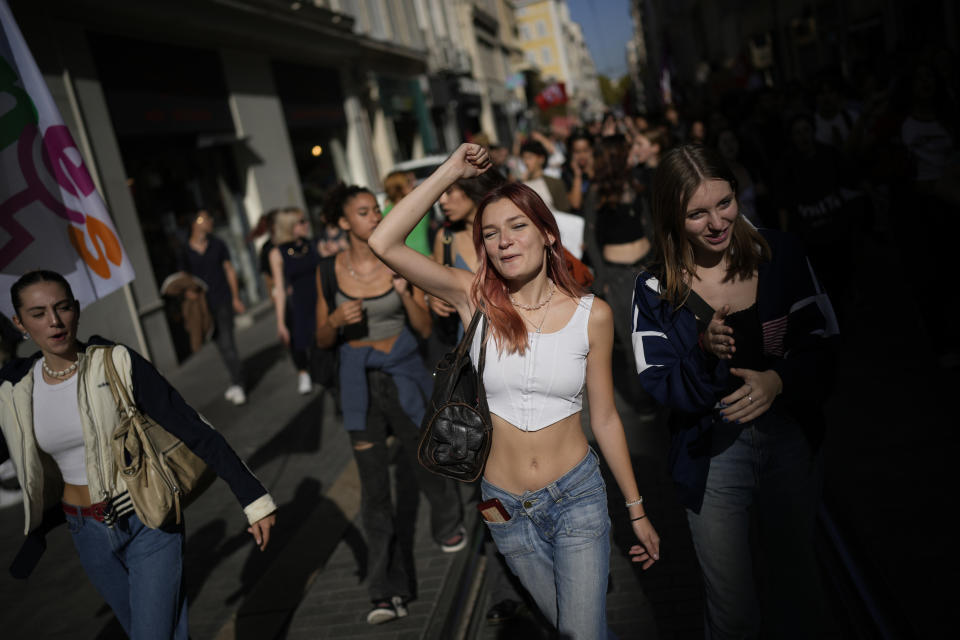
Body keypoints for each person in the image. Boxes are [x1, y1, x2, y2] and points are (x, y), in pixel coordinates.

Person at [369, 144, 661, 639]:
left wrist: (637, 510)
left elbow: (607, 419)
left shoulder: (594, 314)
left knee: (583, 634)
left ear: (548, 233)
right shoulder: (473, 299)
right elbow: (385, 240)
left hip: (578, 499)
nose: (503, 241)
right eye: (490, 233)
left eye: (517, 226)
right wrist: (452, 171)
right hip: (504, 510)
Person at [0, 270, 277, 640]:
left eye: (62, 307)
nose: (54, 321)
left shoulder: (115, 362)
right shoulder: (16, 389)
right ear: (19, 323)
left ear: (77, 310)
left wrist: (253, 498)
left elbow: (193, 427)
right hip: (85, 531)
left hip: (148, 517)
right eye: (38, 313)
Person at [632, 145, 838, 638]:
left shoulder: (781, 252)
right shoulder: (655, 287)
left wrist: (779, 379)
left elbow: (825, 341)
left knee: (798, 587)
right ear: (671, 217)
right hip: (712, 457)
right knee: (733, 608)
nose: (716, 222)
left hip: (787, 442)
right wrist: (702, 351)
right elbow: (659, 383)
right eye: (696, 213)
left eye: (724, 203)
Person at [314, 185, 466, 625]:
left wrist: (403, 293)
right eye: (364, 212)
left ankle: (446, 522)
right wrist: (334, 322)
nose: (375, 217)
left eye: (376, 210)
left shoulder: (395, 257)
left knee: (425, 458)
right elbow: (321, 340)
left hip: (403, 374)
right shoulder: (328, 271)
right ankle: (385, 589)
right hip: (358, 384)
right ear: (344, 223)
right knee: (375, 488)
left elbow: (422, 328)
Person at [178, 209, 246, 405]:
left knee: (228, 343)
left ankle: (239, 383)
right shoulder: (185, 251)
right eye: (206, 218)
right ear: (196, 223)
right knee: (221, 346)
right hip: (203, 309)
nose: (210, 221)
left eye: (209, 217)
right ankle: (235, 380)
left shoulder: (217, 244)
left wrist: (235, 297)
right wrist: (187, 293)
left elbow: (229, 270)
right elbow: (184, 280)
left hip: (223, 300)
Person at [268, 207, 320, 394]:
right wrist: (281, 322)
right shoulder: (277, 253)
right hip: (299, 303)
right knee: (302, 341)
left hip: (319, 297)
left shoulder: (311, 244)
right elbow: (279, 290)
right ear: (289, 226)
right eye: (301, 222)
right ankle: (304, 373)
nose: (306, 224)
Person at [382, 170, 431, 256]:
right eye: (408, 182)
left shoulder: (385, 213)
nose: (413, 185)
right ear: (399, 188)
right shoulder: (420, 206)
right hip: (423, 259)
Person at [519, 139, 572, 212]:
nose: (526, 162)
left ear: (541, 159)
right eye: (524, 158)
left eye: (529, 157)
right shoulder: (521, 184)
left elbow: (565, 210)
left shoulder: (555, 183)